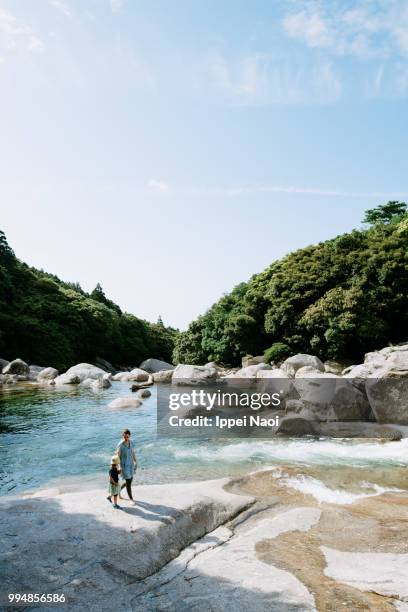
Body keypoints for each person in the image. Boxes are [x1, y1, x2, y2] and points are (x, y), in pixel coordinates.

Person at [117, 428, 137, 502]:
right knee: (128, 481)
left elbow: (133, 452)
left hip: (131, 464)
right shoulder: (120, 445)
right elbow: (118, 456)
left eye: (127, 437)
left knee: (129, 481)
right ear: (122, 436)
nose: (126, 438)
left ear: (130, 436)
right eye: (124, 436)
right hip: (124, 466)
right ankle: (131, 499)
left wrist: (136, 461)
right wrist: (119, 466)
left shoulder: (131, 443)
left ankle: (118, 491)